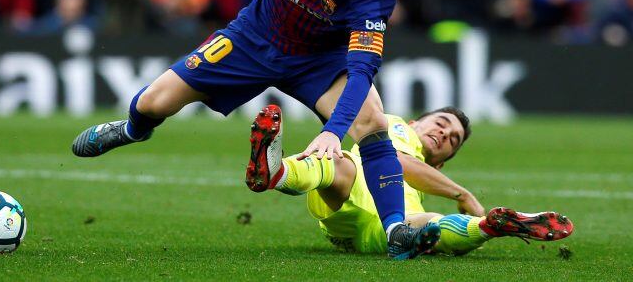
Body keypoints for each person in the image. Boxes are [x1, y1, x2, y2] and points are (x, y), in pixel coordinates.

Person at [72, 0, 437, 258]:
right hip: (253, 37)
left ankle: (395, 231)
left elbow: (361, 72)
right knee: (152, 102)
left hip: (317, 61)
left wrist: (333, 131)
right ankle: (132, 130)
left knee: (371, 119)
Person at [246, 104, 574, 256]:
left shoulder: (424, 178)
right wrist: (463, 194)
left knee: (429, 223)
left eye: (453, 139)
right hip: (357, 191)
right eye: (441, 123)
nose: (445, 132)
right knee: (337, 163)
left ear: (441, 163)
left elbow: (408, 167)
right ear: (415, 122)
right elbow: (398, 163)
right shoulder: (395, 126)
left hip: (375, 228)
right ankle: (483, 229)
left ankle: (488, 227)